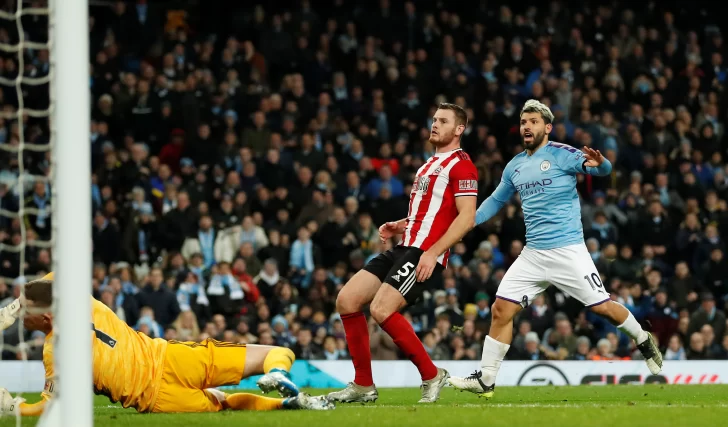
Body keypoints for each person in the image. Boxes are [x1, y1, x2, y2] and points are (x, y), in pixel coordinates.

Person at [447, 100, 662, 399]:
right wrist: (468, 222)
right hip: (533, 254)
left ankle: (642, 338)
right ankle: (486, 380)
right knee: (500, 309)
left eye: (533, 121)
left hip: (568, 250)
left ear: (547, 127)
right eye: (523, 121)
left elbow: (601, 170)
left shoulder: (563, 154)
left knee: (603, 308)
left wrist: (604, 164)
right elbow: (496, 201)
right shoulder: (515, 166)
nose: (526, 126)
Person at [0, 273, 334, 416]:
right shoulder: (83, 302)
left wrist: (13, 408)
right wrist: (15, 308)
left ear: (45, 319)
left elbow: (48, 407)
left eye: (25, 312)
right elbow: (56, 277)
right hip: (170, 357)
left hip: (157, 398)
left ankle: (289, 406)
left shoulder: (53, 351)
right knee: (278, 352)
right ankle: (277, 373)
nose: (22, 319)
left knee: (225, 404)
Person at [328, 103, 478, 404]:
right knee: (347, 300)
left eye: (443, 121)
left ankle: (431, 375)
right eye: (434, 119)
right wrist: (400, 224)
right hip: (405, 246)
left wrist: (433, 252)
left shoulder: (462, 166)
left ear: (459, 129)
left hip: (425, 253)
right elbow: (428, 214)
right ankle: (363, 386)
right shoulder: (427, 165)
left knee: (381, 309)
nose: (434, 124)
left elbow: (466, 217)